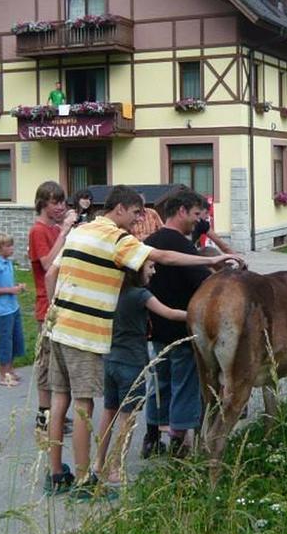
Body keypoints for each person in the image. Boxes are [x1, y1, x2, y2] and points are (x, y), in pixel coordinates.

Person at [43, 185, 242, 496]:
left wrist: (57, 308)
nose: (138, 221)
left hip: (58, 328)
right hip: (84, 334)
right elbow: (163, 257)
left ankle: (56, 474)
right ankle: (84, 482)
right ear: (119, 209)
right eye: (136, 213)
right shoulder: (116, 238)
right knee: (83, 405)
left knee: (59, 400)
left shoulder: (80, 230)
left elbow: (49, 275)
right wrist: (212, 261)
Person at [94, 260, 186, 485]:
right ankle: (116, 468)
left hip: (110, 360)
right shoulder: (140, 295)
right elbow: (169, 313)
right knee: (128, 418)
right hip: (131, 364)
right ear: (136, 270)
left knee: (109, 412)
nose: (154, 271)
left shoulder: (112, 292)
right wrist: (198, 313)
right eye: (150, 267)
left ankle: (98, 463)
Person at [142, 188, 215, 458]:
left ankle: (151, 438)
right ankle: (178, 442)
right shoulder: (182, 246)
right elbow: (205, 284)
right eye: (196, 214)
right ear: (182, 211)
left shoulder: (150, 241)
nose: (198, 220)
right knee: (185, 384)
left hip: (156, 327)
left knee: (158, 384)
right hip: (182, 330)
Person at [28, 181, 77, 431]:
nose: (61, 207)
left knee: (58, 362)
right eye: (55, 202)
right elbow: (47, 264)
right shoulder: (38, 231)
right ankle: (44, 414)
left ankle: (56, 413)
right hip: (45, 304)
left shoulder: (54, 229)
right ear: (42, 204)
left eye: (62, 202)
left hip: (60, 301)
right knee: (46, 362)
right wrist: (64, 231)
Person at [0, 233, 27, 387]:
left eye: (11, 245)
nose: (12, 248)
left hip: (13, 307)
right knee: (5, 341)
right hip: (1, 310)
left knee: (15, 339)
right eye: (8, 246)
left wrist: (17, 287)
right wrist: (10, 290)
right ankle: (3, 374)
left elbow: (7, 284)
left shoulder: (7, 263)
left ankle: (10, 369)